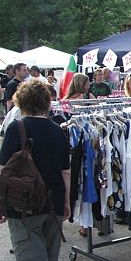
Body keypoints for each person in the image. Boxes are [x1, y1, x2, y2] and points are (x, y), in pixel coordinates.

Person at [0, 80, 71, 261]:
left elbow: (3, 169)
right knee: (50, 255)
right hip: (53, 201)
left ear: (21, 101)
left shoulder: (16, 128)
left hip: (23, 202)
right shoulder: (58, 131)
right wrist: (67, 202)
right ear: (47, 102)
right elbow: (66, 172)